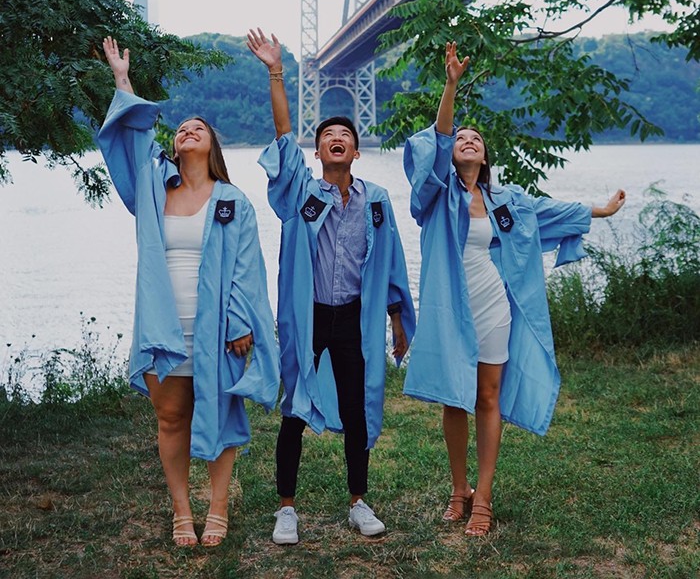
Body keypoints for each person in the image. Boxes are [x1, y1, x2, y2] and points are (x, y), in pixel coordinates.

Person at [402, 42, 626, 537]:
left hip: (495, 309)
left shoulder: (509, 201)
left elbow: (554, 211)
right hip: (450, 309)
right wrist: (451, 86)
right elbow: (435, 146)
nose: (467, 140)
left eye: (475, 137)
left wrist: (601, 211)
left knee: (488, 396)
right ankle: (457, 488)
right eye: (461, 137)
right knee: (453, 398)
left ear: (485, 156)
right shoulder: (436, 197)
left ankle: (482, 496)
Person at [98, 36, 280, 548]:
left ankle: (217, 508)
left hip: (216, 327)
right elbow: (133, 141)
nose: (187, 130)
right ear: (175, 147)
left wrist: (242, 321)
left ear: (212, 146)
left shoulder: (232, 201)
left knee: (219, 412)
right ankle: (182, 510)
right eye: (181, 128)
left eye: (198, 127)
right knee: (171, 417)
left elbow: (249, 267)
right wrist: (122, 80)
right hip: (163, 323)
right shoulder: (153, 190)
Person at [247, 28, 416, 545]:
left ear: (356, 151)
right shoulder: (301, 192)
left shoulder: (379, 199)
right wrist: (276, 72)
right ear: (317, 151)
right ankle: (286, 509)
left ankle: (359, 502)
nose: (335, 138)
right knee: (295, 406)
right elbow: (282, 138)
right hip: (310, 314)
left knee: (357, 407)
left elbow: (389, 263)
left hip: (354, 318)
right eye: (325, 137)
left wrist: (395, 320)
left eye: (344, 135)